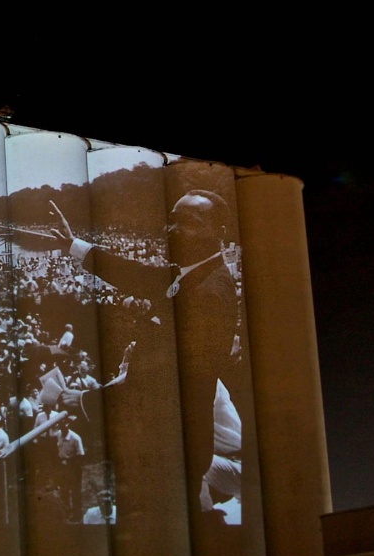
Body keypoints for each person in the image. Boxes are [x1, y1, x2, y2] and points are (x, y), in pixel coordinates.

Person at [49, 193, 243, 520]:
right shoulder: (189, 275)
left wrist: (84, 399)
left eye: (189, 223)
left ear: (219, 230)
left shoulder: (210, 293)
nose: (173, 229)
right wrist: (74, 244)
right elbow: (135, 274)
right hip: (165, 445)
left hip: (171, 452)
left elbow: (164, 379)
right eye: (172, 219)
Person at [55, 415, 85, 522]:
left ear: (68, 426)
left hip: (73, 468)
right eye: (60, 426)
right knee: (64, 490)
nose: (62, 428)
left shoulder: (76, 438)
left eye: (64, 425)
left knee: (75, 491)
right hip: (62, 467)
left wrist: (69, 462)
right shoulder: (58, 434)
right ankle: (66, 512)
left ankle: (77, 514)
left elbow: (81, 456)